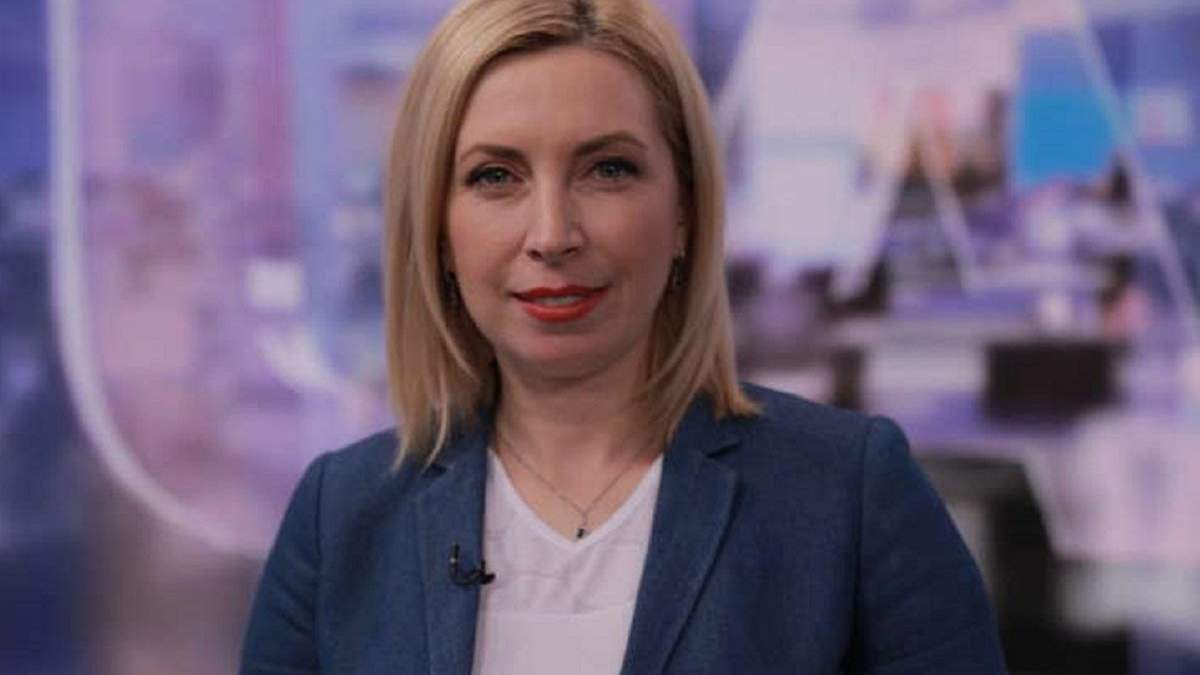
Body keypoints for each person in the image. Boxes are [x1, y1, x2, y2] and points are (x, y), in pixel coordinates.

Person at [240, 0, 1007, 672]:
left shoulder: (849, 494)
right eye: (495, 176)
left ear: (686, 213)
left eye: (607, 169)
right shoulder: (339, 517)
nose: (552, 234)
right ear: (437, 229)